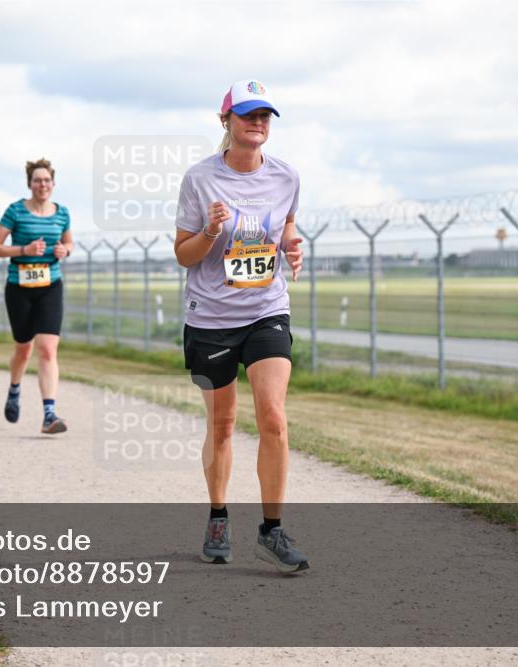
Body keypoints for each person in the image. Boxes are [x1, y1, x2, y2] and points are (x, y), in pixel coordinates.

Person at [173, 80, 307, 573]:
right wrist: (210, 230)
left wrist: (293, 245)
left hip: (265, 308)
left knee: (273, 416)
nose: (258, 123)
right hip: (210, 317)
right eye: (248, 115)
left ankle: (272, 529)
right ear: (226, 121)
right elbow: (183, 254)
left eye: (265, 116)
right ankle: (218, 516)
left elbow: (287, 227)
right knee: (223, 425)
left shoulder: (287, 176)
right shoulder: (199, 179)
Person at [0, 158, 73, 435]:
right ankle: (14, 389)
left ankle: (49, 414)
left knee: (47, 349)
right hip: (19, 287)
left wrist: (65, 251)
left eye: (47, 180)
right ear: (30, 184)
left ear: (53, 184)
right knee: (23, 349)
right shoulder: (15, 211)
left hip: (51, 284)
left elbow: (69, 241)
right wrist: (23, 250)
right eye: (37, 180)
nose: (42, 185)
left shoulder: (62, 213)